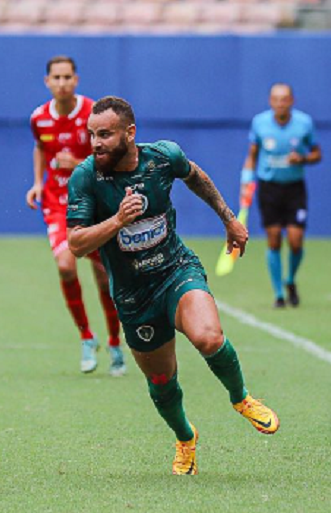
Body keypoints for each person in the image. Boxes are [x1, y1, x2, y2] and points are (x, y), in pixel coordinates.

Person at [67, 96, 280, 475]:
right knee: (162, 379)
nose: (96, 143)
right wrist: (116, 221)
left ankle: (241, 397)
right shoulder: (86, 177)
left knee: (209, 338)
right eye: (92, 135)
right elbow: (77, 243)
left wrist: (229, 220)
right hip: (133, 296)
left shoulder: (163, 158)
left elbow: (195, 175)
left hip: (175, 271)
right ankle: (185, 438)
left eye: (105, 134)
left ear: (130, 134)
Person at [26, 55, 125, 376]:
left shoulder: (93, 114)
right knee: (66, 265)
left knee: (103, 277)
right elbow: (41, 148)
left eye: (67, 77)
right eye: (56, 77)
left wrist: (82, 161)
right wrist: (37, 183)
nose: (62, 83)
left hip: (92, 202)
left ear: (76, 80)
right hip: (58, 202)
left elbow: (109, 155)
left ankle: (114, 341)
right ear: (47, 82)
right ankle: (86, 336)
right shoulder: (39, 118)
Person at [242, 83, 321, 308]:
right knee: (274, 237)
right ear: (270, 101)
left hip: (294, 188)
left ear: (292, 101)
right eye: (276, 99)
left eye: (284, 99)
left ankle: (290, 280)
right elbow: (252, 155)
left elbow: (317, 153)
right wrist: (246, 179)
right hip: (269, 188)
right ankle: (278, 293)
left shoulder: (304, 123)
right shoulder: (260, 123)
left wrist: (303, 158)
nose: (280, 103)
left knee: (295, 241)